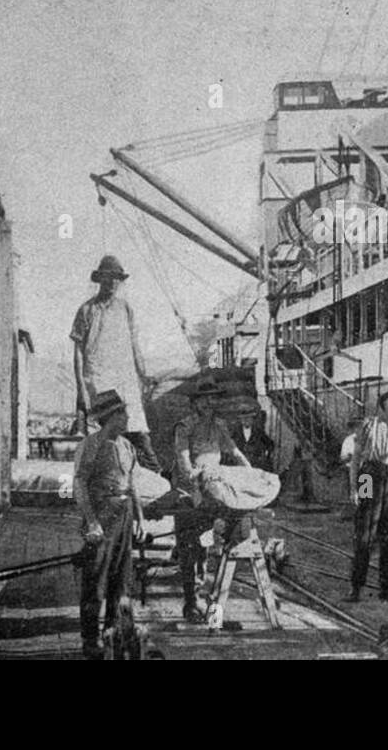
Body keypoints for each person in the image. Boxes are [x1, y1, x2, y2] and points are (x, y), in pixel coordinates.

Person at [73, 390, 145, 659]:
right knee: (95, 579)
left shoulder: (127, 446)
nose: (127, 418)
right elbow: (79, 485)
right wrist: (91, 521)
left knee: (121, 578)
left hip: (124, 514)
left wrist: (140, 518)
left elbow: (132, 484)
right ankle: (90, 639)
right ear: (110, 417)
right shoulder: (90, 445)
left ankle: (112, 632)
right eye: (122, 413)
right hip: (101, 516)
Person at [172, 377, 251, 624]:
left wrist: (251, 473)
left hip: (212, 490)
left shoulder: (219, 425)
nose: (209, 402)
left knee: (210, 546)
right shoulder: (185, 427)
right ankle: (190, 602)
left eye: (213, 398)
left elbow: (234, 452)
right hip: (189, 492)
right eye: (204, 399)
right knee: (189, 549)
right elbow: (184, 465)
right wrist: (197, 481)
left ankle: (208, 597)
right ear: (195, 402)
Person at [71, 255, 156, 467]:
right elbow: (78, 351)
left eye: (117, 279)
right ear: (100, 280)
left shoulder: (125, 308)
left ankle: (157, 486)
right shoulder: (87, 310)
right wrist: (82, 387)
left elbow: (134, 344)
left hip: (125, 383)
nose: (112, 283)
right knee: (103, 443)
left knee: (140, 437)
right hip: (99, 384)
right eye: (108, 278)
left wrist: (143, 374)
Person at [347, 388, 388, 602]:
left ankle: (386, 588)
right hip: (368, 476)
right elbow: (356, 458)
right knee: (365, 531)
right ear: (383, 405)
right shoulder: (368, 425)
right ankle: (356, 587)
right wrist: (354, 488)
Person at [233, 405, 275, 473]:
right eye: (243, 418)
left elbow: (271, 445)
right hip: (239, 468)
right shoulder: (235, 434)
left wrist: (264, 456)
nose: (246, 420)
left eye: (248, 418)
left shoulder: (259, 433)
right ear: (240, 420)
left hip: (255, 467)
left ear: (252, 419)